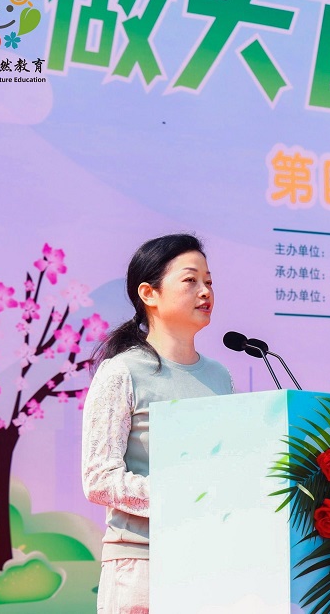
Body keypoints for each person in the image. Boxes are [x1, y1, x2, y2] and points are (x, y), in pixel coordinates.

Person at [81, 234, 233, 613]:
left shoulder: (220, 377)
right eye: (190, 280)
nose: (205, 291)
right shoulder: (122, 372)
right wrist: (183, 496)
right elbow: (99, 478)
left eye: (209, 282)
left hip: (212, 560)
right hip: (141, 562)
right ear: (149, 293)